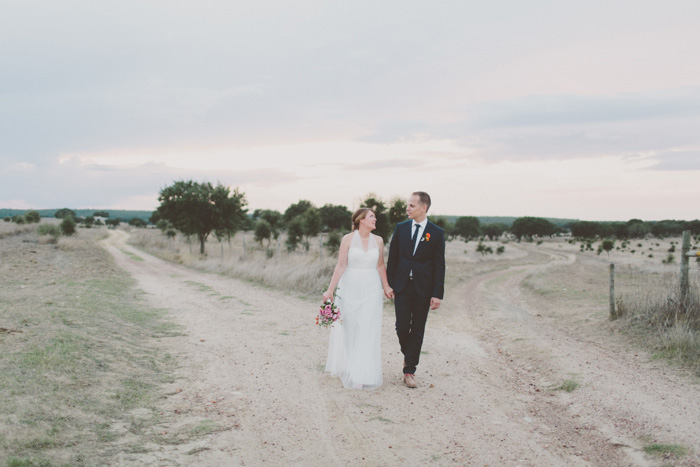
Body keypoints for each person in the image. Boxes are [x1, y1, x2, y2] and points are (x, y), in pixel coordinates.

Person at [323, 208, 394, 390]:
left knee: (367, 328)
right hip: (350, 287)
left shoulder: (378, 240)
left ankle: (361, 373)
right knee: (350, 328)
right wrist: (330, 290)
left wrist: (386, 286)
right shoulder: (348, 239)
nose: (375, 219)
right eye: (372, 216)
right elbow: (340, 266)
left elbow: (380, 266)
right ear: (361, 220)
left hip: (371, 288)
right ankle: (350, 366)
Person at [387, 191, 445, 388]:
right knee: (402, 326)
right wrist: (388, 284)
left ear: (424, 207)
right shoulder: (401, 228)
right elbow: (393, 258)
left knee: (418, 329)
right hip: (402, 286)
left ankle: (409, 370)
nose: (407, 208)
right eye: (408, 205)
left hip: (424, 288)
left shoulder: (436, 233)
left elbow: (439, 265)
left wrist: (437, 294)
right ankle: (409, 354)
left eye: (411, 205)